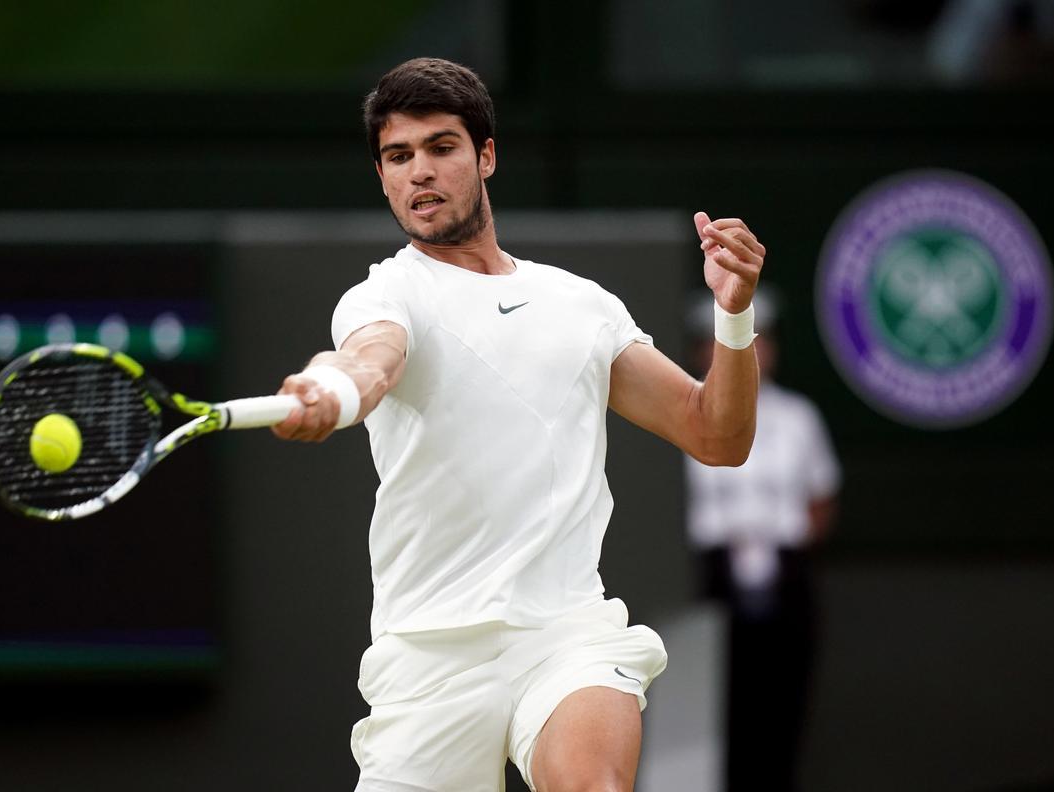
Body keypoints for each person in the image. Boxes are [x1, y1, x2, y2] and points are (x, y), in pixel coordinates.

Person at [271, 57, 766, 792]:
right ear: (382, 176)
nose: (418, 173)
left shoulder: (581, 304)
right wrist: (333, 388)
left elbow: (717, 436)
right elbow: (369, 359)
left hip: (565, 633)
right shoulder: (386, 293)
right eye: (398, 157)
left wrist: (734, 315)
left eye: (441, 148)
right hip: (430, 656)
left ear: (486, 155)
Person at [684, 288, 840, 792]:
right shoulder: (683, 407)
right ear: (702, 349)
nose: (749, 351)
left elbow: (821, 497)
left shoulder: (799, 418)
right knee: (715, 707)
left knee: (783, 706)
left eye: (760, 340)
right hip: (708, 579)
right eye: (726, 341)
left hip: (784, 578)